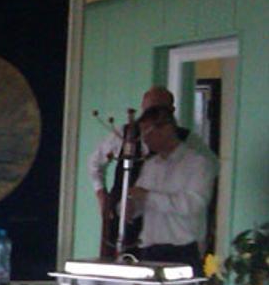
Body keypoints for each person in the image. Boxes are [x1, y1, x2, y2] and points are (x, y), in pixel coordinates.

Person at [87, 86, 210, 216]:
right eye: (149, 112)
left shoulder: (187, 140)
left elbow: (210, 166)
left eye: (159, 113)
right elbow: (94, 162)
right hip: (122, 214)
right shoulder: (124, 134)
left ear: (171, 112)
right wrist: (101, 194)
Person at [124, 103, 217, 269]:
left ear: (167, 129)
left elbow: (193, 205)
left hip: (183, 250)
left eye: (148, 132)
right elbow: (141, 203)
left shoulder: (197, 163)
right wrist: (131, 207)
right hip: (149, 248)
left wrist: (147, 196)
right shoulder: (150, 165)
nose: (144, 139)